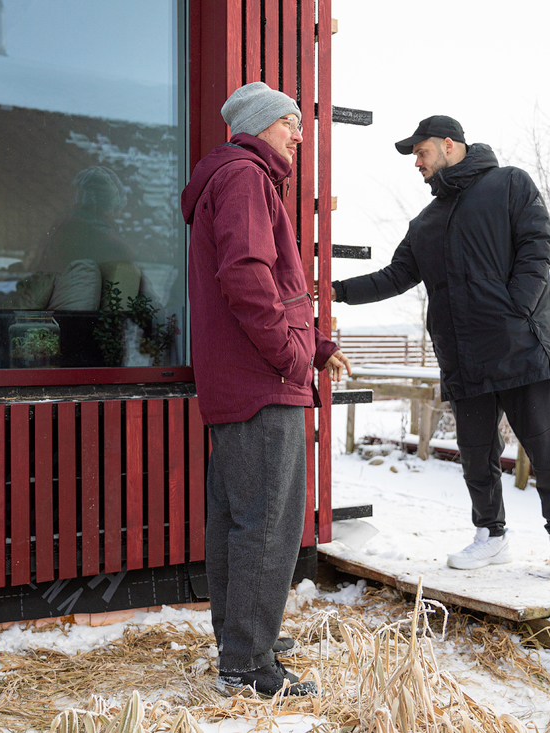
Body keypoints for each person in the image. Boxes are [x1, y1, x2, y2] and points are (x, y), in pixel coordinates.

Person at [330, 115, 550, 578]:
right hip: (463, 359)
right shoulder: (427, 221)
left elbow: (538, 243)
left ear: (450, 145)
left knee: (547, 448)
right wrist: (336, 290)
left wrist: (517, 308)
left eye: (421, 152)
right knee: (476, 456)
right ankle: (491, 536)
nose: (417, 163)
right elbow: (395, 276)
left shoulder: (509, 184)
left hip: (519, 348)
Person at [181, 81, 351, 697]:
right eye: (289, 121)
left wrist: (318, 348)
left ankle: (240, 640)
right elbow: (248, 278)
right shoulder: (247, 177)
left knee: (238, 520)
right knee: (268, 525)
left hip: (239, 381)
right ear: (259, 125)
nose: (299, 132)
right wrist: (291, 356)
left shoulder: (231, 178)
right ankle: (249, 668)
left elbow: (271, 290)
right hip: (262, 381)